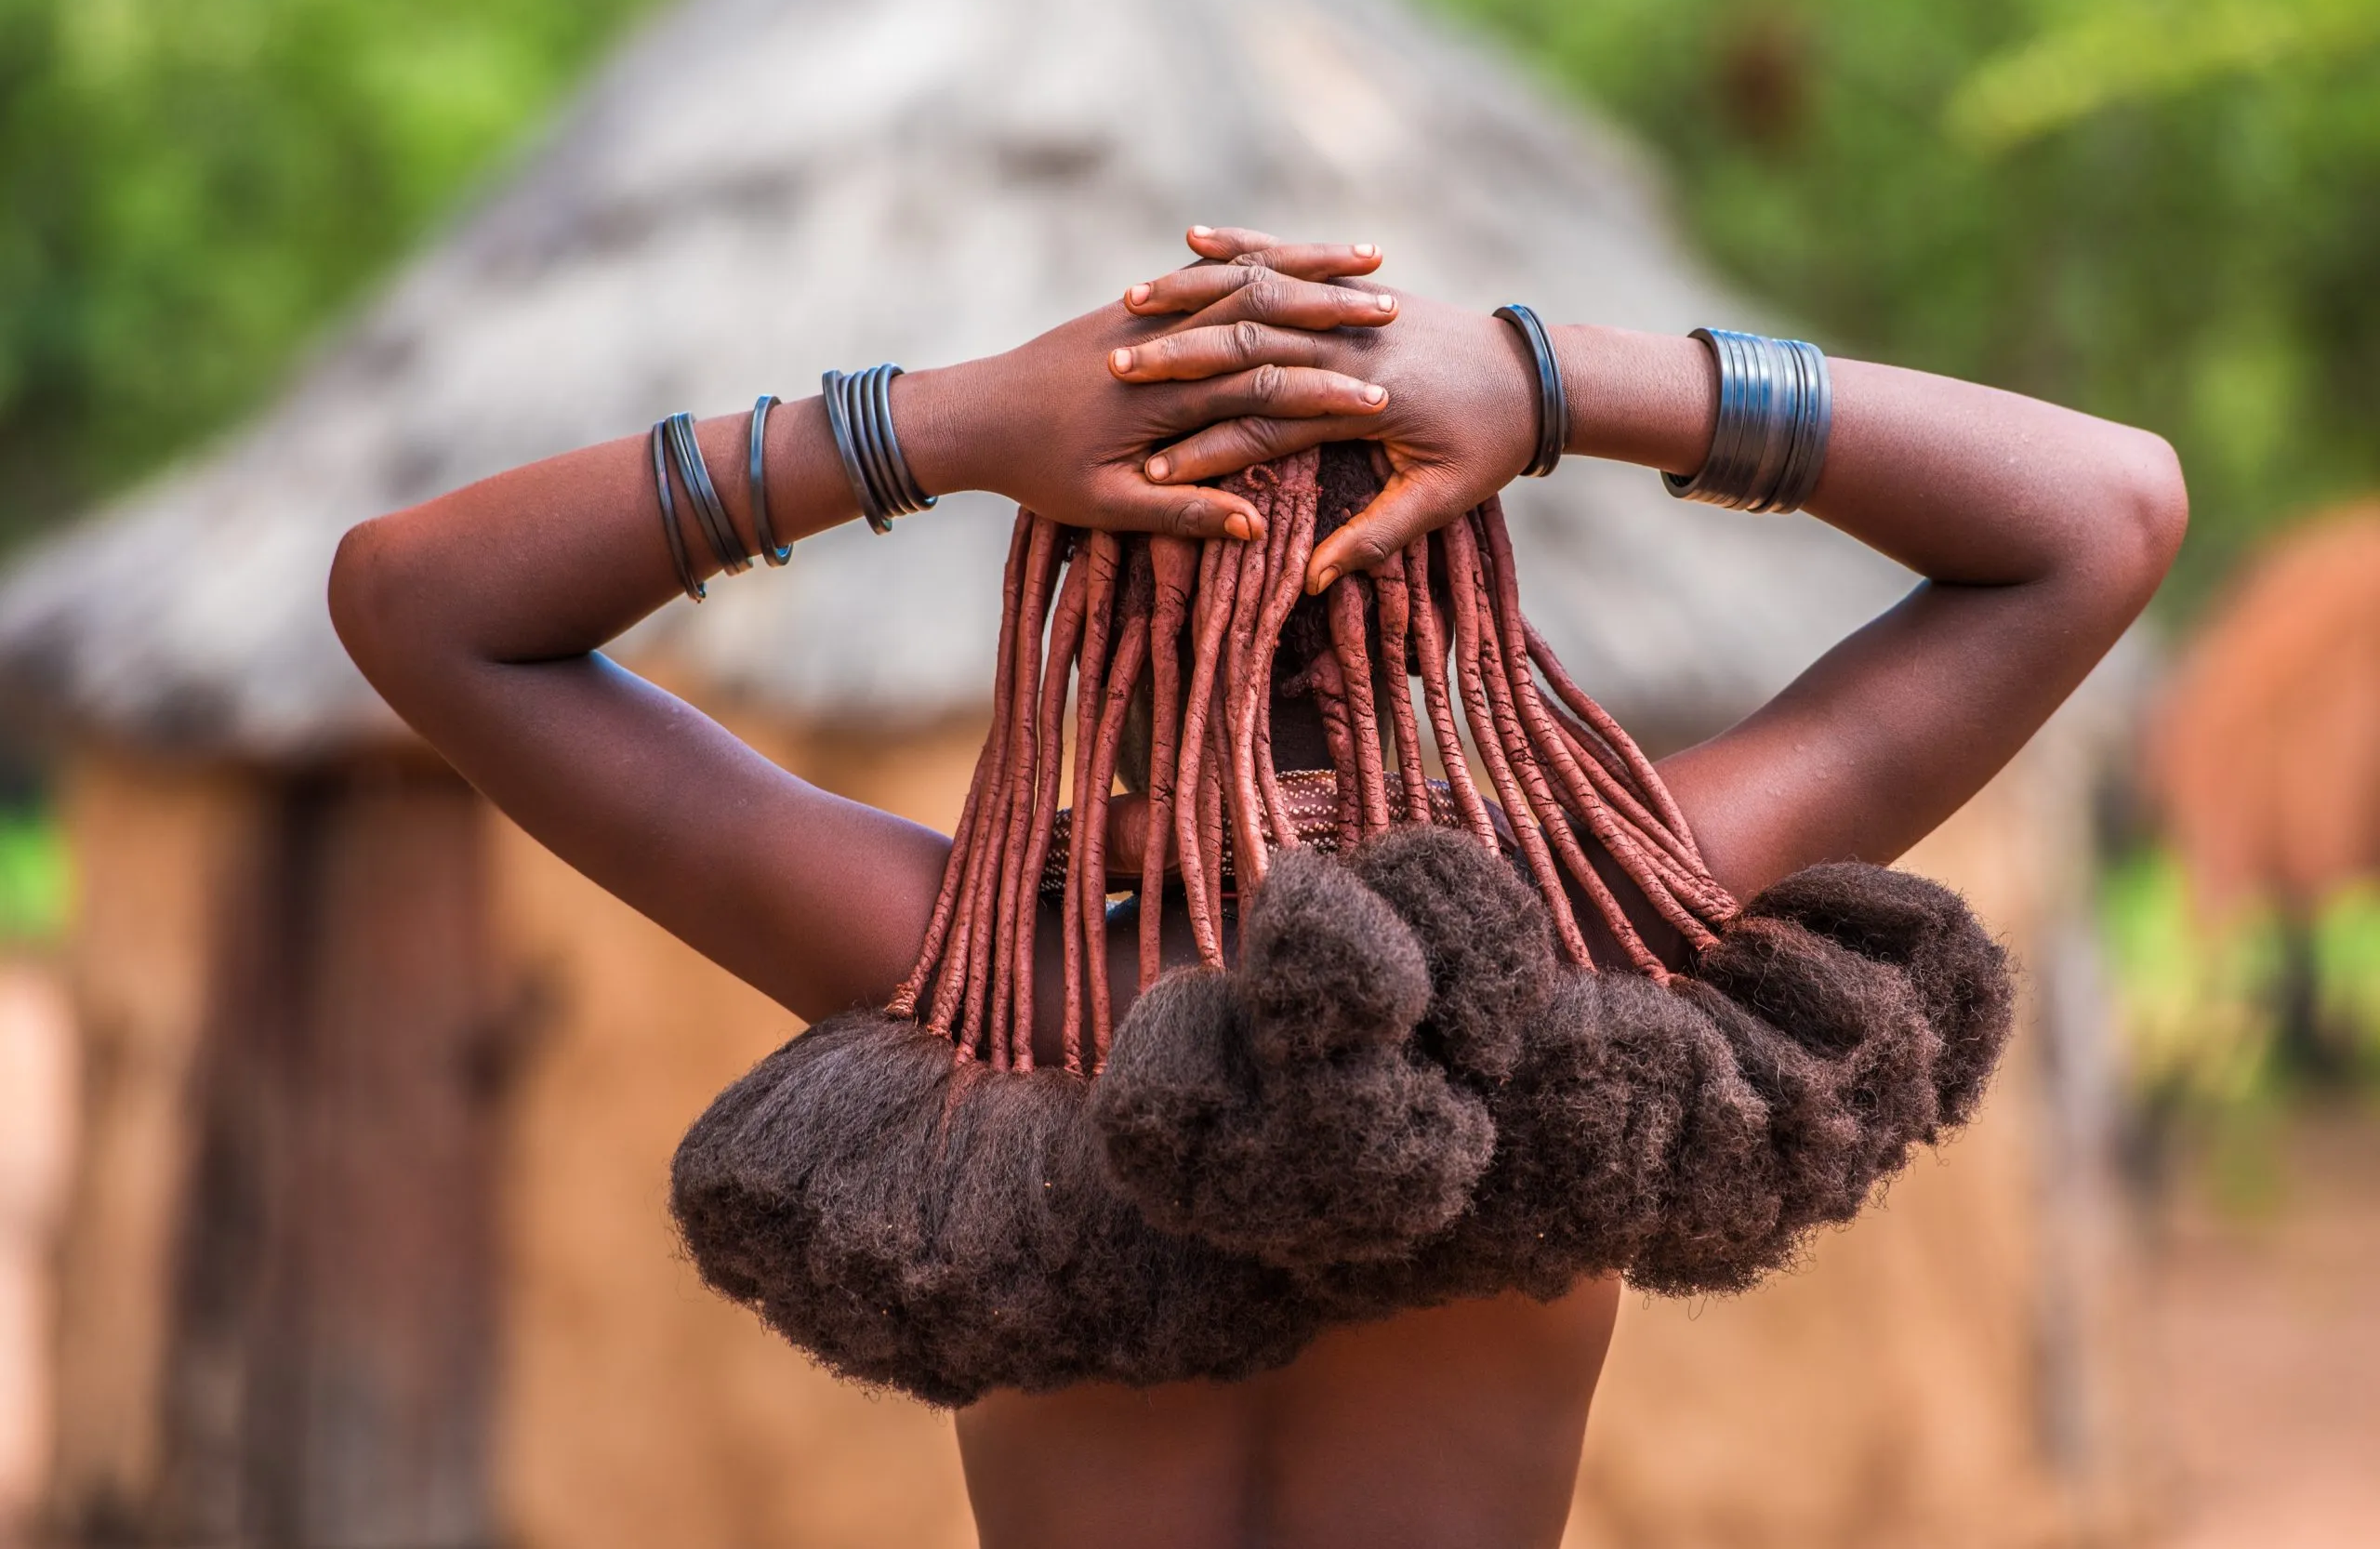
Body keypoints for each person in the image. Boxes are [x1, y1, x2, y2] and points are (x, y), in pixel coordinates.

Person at [329, 226, 2186, 1549]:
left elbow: (420, 606)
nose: (1273, 617)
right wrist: (1548, 386)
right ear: (1458, 614)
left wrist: (936, 428)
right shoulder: (1602, 946)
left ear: (1077, 623)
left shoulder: (968, 987)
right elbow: (2097, 515)